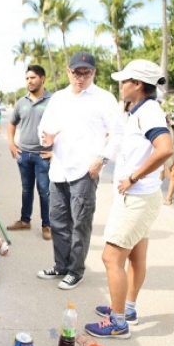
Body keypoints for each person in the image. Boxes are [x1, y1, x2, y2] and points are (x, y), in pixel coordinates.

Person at [84, 59, 173, 338]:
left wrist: (133, 177)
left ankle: (118, 322)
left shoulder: (149, 112)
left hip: (137, 196)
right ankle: (128, 307)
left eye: (125, 81)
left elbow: (165, 149)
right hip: (141, 196)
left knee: (111, 257)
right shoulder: (140, 110)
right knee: (135, 257)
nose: (121, 85)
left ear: (137, 84)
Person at [36, 51, 124, 290]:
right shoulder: (59, 98)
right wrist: (48, 138)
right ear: (68, 72)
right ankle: (61, 265)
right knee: (57, 220)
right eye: (76, 73)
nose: (80, 78)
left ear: (94, 73)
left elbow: (117, 134)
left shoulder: (104, 98)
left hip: (85, 170)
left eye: (86, 73)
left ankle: (76, 270)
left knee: (80, 222)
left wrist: (102, 159)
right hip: (59, 169)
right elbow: (44, 128)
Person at [7, 65, 53, 241]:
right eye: (27, 78)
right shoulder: (21, 102)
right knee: (26, 190)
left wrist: (55, 152)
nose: (29, 81)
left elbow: (65, 127)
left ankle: (46, 225)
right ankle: (25, 220)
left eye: (33, 78)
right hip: (24, 154)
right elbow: (12, 123)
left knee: (44, 191)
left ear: (43, 79)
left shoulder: (52, 101)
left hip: (43, 155)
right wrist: (11, 144)